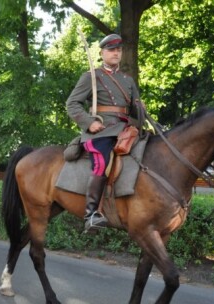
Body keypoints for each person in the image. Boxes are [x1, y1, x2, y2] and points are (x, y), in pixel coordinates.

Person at [66, 34, 145, 231]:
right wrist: (89, 123)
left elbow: (136, 112)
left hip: (126, 130)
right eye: (111, 50)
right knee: (101, 161)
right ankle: (91, 214)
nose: (116, 53)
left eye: (118, 49)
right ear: (102, 53)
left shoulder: (127, 80)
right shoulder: (91, 77)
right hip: (101, 131)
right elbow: (72, 104)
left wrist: (142, 111)